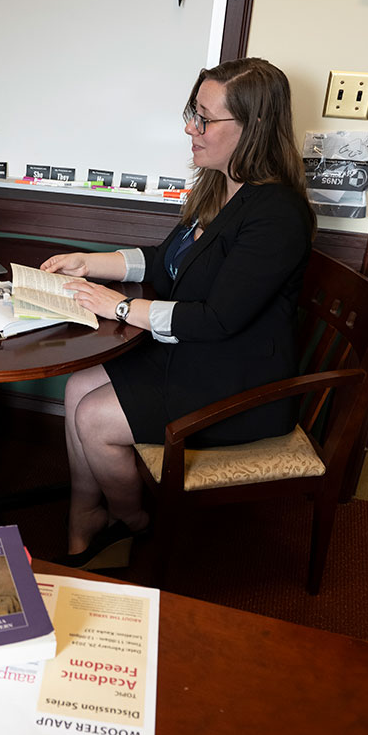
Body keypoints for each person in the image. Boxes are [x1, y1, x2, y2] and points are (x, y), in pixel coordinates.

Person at [41, 57, 315, 567]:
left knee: (96, 419)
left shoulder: (276, 214)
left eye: (205, 118)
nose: (191, 127)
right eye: (194, 111)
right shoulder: (219, 186)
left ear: (252, 128)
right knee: (78, 385)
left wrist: (121, 306)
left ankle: (137, 521)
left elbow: (216, 319)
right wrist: (90, 262)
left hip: (240, 380)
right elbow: (167, 262)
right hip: (194, 355)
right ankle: (86, 510)